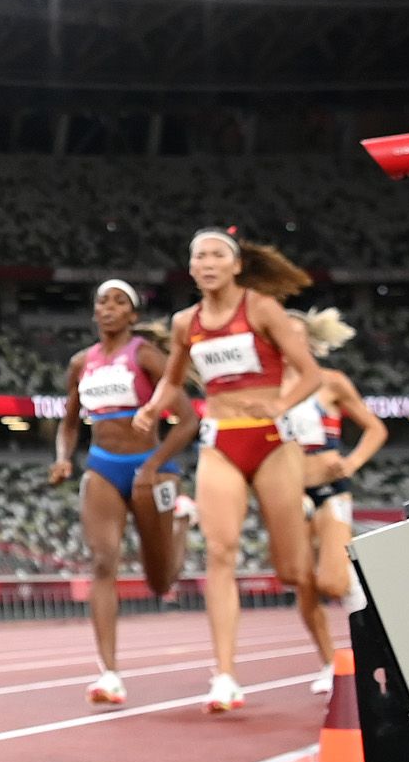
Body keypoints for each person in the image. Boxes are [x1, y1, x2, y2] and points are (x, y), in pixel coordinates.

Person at [132, 231, 325, 712]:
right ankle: (224, 676)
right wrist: (153, 408)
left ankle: (328, 657)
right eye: (199, 256)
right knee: (221, 553)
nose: (208, 262)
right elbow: (173, 379)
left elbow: (311, 372)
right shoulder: (185, 322)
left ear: (236, 266)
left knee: (294, 570)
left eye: (218, 254)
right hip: (221, 440)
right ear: (192, 268)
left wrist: (282, 402)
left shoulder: (261, 309)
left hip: (273, 441)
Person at [48, 280, 194, 705]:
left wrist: (152, 465)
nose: (108, 308)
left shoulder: (145, 355)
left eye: (119, 303)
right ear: (94, 313)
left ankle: (181, 521)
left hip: (153, 468)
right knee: (101, 562)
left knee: (159, 581)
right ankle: (109, 673)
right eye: (102, 302)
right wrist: (64, 457)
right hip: (103, 467)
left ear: (133, 315)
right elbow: (70, 420)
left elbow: (186, 420)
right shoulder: (81, 363)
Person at [278, 310, 388, 695]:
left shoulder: (330, 383)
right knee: (304, 586)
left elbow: (376, 428)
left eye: (295, 335)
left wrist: (352, 462)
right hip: (288, 496)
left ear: (308, 341)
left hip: (329, 491)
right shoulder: (265, 390)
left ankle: (376, 651)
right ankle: (330, 663)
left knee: (334, 579)